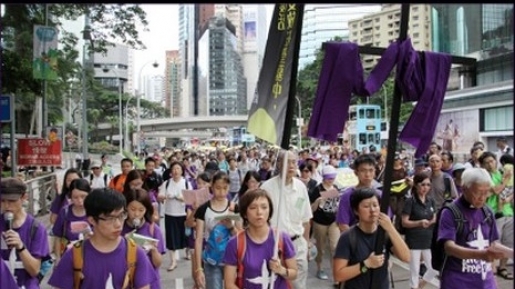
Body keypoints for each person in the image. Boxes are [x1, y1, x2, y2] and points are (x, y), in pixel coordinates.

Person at [48, 188, 158, 288]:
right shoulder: (74, 255)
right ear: (92, 220)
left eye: (121, 216)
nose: (118, 224)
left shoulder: (135, 253)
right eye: (110, 218)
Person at [436, 168, 509, 288]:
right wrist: (481, 255)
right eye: (478, 192)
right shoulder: (450, 212)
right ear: (464, 188)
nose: (483, 197)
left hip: (485, 280)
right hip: (457, 281)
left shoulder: (487, 211)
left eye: (486, 193)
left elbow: (493, 244)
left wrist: (511, 253)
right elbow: (449, 247)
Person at [333, 188, 410, 289]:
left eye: (375, 205)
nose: (372, 210)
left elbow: (406, 257)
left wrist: (391, 228)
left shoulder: (385, 233)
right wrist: (366, 264)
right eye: (366, 206)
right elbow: (338, 275)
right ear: (356, 211)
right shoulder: (348, 237)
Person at [223, 189, 298, 289]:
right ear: (245, 213)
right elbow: (229, 284)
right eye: (253, 208)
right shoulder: (234, 243)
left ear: (270, 210)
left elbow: (294, 273)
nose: (259, 212)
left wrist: (281, 270)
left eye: (264, 207)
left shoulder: (282, 237)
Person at [260, 150, 313, 289]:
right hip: (274, 244)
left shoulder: (301, 187)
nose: (291, 165)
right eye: (287, 162)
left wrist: (306, 245)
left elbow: (306, 219)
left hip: (297, 244)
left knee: (298, 284)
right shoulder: (267, 188)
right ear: (278, 164)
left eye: (294, 162)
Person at [1, 177, 51, 289]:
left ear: (24, 197)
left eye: (12, 201)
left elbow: (34, 271)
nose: (7, 206)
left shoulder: (36, 228)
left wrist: (21, 247)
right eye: (2, 200)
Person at [194, 171, 238, 289]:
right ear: (211, 187)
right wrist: (198, 268)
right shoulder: (203, 209)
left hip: (232, 260)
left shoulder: (234, 208)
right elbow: (198, 240)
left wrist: (231, 227)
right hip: (211, 260)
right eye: (218, 188)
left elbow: (241, 237)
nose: (221, 192)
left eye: (225, 188)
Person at [123, 188, 165, 289]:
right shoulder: (119, 228)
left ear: (146, 210)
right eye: (132, 209)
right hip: (126, 281)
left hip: (150, 281)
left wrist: (154, 250)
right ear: (125, 208)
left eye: (141, 210)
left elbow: (158, 264)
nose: (136, 214)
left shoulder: (153, 229)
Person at [401, 173, 438, 289]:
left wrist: (432, 221)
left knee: (434, 268)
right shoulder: (410, 201)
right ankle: (414, 286)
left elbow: (435, 216)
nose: (425, 187)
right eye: (423, 185)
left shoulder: (430, 201)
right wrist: (419, 223)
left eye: (428, 185)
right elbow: (404, 222)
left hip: (428, 238)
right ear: (416, 185)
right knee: (415, 269)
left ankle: (421, 284)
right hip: (414, 240)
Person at [308, 165, 340, 284]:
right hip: (320, 222)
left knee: (335, 247)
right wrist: (317, 201)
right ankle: (320, 268)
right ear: (324, 178)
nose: (331, 180)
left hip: (333, 221)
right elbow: (310, 209)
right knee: (321, 248)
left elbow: (337, 204)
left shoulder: (335, 187)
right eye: (328, 178)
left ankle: (336, 272)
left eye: (332, 178)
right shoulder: (317, 189)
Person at [157, 161, 191, 271]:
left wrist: (180, 198)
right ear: (171, 171)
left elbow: (190, 198)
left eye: (178, 168)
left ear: (182, 171)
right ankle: (173, 261)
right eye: (174, 169)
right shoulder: (166, 183)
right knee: (171, 238)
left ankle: (187, 252)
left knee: (185, 235)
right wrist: (165, 196)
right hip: (170, 213)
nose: (176, 171)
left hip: (183, 214)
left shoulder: (186, 183)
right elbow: (159, 196)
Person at [52, 178, 92, 264]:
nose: (80, 201)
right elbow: (57, 237)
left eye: (83, 196)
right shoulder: (65, 212)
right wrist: (58, 259)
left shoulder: (95, 212)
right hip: (68, 256)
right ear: (70, 197)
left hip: (90, 257)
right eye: (75, 197)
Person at [185, 172, 212, 289]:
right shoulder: (192, 202)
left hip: (212, 242)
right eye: (198, 183)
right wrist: (195, 210)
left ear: (210, 184)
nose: (201, 186)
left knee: (211, 276)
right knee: (196, 275)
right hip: (196, 240)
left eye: (204, 183)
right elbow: (188, 223)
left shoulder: (214, 200)